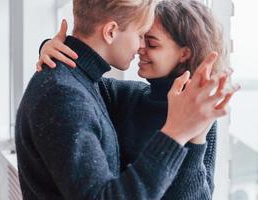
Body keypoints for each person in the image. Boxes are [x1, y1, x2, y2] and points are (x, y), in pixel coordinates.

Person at [16, 0, 238, 200]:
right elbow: (73, 82)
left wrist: (196, 138)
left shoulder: (197, 114)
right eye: (141, 34)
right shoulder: (84, 94)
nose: (140, 47)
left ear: (184, 54)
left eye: (150, 42)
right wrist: (52, 48)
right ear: (111, 31)